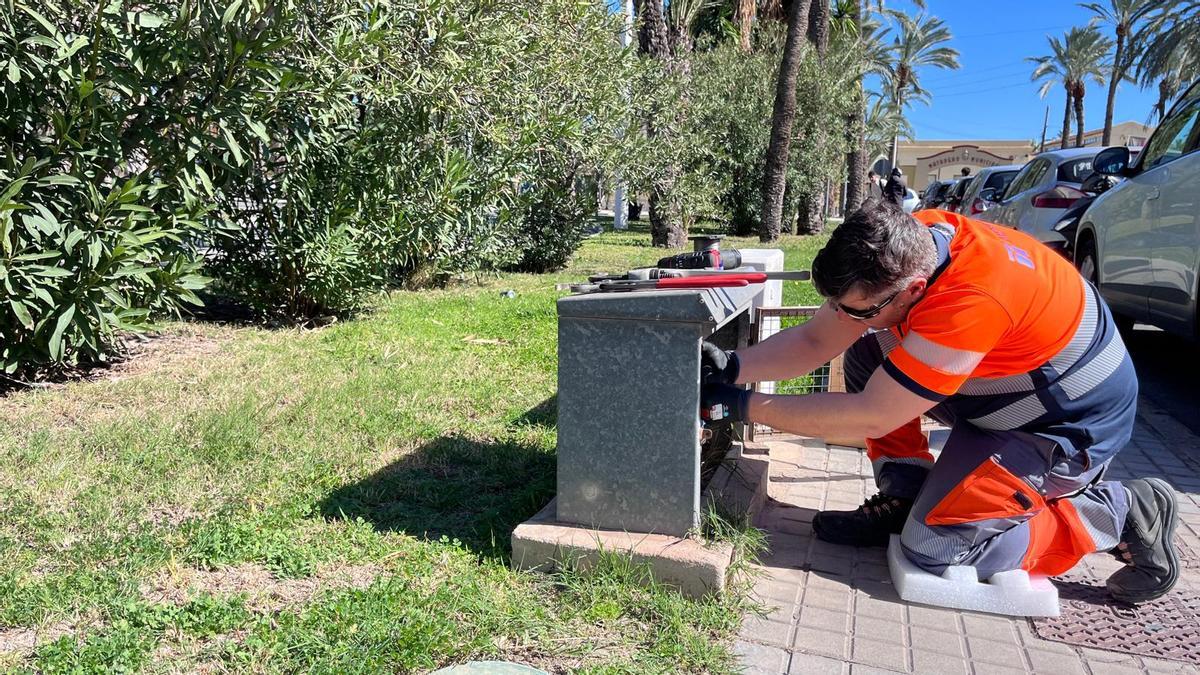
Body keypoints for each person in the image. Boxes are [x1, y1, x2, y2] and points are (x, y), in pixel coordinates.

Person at [700, 200, 1179, 604]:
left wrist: (743, 406)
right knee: (869, 349)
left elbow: (873, 412)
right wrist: (733, 367)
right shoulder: (911, 243)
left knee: (935, 546)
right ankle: (904, 494)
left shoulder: (972, 300)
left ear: (911, 290)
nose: (844, 318)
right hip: (1008, 387)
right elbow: (815, 342)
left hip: (1061, 425)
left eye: (857, 309)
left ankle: (1120, 510)